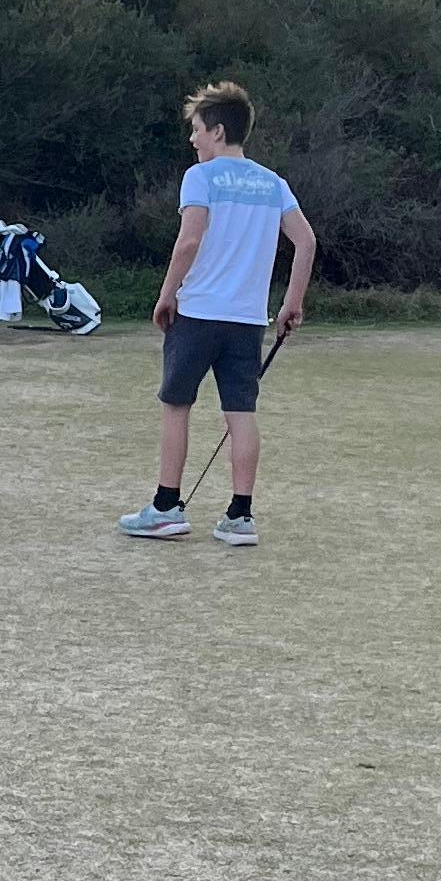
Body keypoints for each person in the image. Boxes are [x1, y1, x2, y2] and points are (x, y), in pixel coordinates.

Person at [118, 84, 316, 547]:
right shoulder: (274, 183)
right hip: (247, 320)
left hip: (199, 313)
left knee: (176, 406)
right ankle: (240, 516)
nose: (193, 140)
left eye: (197, 130)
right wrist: (292, 303)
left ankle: (165, 508)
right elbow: (306, 242)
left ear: (218, 131)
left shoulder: (200, 177)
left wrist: (167, 294)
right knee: (241, 413)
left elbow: (188, 241)